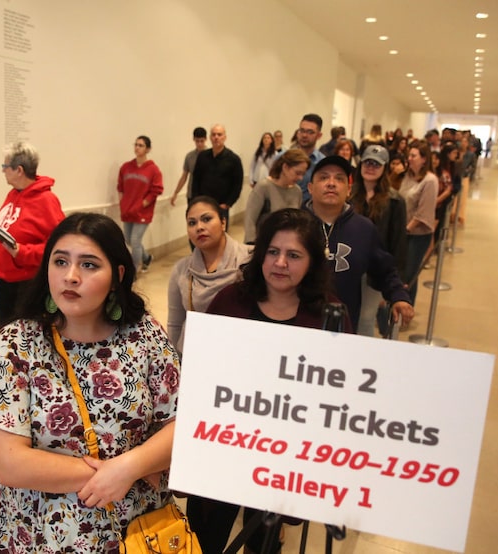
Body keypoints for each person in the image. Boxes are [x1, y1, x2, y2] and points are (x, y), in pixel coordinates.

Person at [0, 213, 180, 552]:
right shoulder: (16, 345)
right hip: (44, 531)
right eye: (60, 261)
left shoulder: (144, 335)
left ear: (118, 276)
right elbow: (11, 462)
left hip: (137, 529)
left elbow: (180, 424)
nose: (70, 277)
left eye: (89, 265)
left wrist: (130, 465)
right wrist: (120, 474)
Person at [186, 208, 347, 554]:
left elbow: (337, 398)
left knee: (263, 543)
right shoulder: (231, 301)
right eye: (272, 252)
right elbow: (201, 375)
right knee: (203, 539)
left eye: (293, 255)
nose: (280, 263)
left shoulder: (328, 314)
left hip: (283, 458)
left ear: (312, 262)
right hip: (223, 447)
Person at [305, 155, 413, 331]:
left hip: (343, 324)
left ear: (349, 189)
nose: (331, 183)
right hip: (297, 323)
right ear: (310, 188)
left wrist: (398, 295)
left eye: (339, 178)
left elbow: (384, 270)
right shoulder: (293, 224)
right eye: (323, 177)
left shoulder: (363, 228)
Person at [0, 141, 65, 327]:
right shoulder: (13, 194)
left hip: (26, 284)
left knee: (25, 338)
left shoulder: (46, 201)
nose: (3, 170)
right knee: (6, 334)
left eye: (5, 166)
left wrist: (22, 253)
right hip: (5, 280)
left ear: (19, 170)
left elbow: (59, 246)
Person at [167, 195, 251, 353]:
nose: (199, 227)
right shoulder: (181, 269)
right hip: (195, 354)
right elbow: (175, 323)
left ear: (223, 222)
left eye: (206, 219)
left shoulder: (248, 261)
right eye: (192, 223)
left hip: (238, 351)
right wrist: (174, 363)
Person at [350, 145, 408, 336]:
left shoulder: (394, 201)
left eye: (376, 164)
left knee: (366, 318)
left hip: (375, 269)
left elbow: (398, 241)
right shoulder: (349, 196)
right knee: (349, 315)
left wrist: (396, 279)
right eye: (367, 163)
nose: (371, 167)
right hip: (349, 265)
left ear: (384, 168)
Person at [400, 142, 439, 305]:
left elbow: (423, 212)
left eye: (413, 156)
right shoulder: (408, 176)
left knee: (410, 273)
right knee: (401, 272)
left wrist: (406, 229)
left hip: (417, 234)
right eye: (409, 155)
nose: (409, 159)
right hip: (404, 232)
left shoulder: (430, 180)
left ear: (424, 159)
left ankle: (407, 306)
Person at [243, 148, 310, 243]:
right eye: (297, 173)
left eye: (303, 174)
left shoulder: (297, 191)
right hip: (263, 243)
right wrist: (252, 244)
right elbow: (250, 220)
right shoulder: (264, 187)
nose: (300, 178)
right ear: (285, 167)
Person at [118, 135, 164, 272]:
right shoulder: (126, 167)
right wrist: (123, 203)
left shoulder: (153, 170)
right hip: (127, 210)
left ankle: (134, 269)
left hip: (143, 212)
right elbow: (120, 187)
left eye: (141, 145)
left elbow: (156, 190)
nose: (137, 148)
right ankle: (146, 258)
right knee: (128, 240)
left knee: (135, 240)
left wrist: (143, 203)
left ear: (148, 149)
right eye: (136, 145)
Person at [191, 124, 244, 226]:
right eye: (214, 134)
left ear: (225, 137)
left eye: (219, 134)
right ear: (210, 137)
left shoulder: (233, 159)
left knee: (220, 237)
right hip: (203, 205)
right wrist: (196, 200)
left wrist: (228, 203)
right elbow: (196, 180)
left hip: (221, 206)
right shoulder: (202, 156)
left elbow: (237, 184)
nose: (216, 137)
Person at [290, 113, 326, 207]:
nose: (304, 135)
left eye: (310, 132)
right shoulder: (283, 158)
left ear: (319, 135)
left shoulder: (322, 163)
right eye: (302, 131)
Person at [169, 127, 207, 206]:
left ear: (206, 139)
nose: (199, 144)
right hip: (192, 195)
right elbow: (184, 176)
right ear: (194, 139)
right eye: (197, 141)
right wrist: (176, 193)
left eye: (202, 141)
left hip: (207, 195)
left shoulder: (211, 155)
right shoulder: (190, 156)